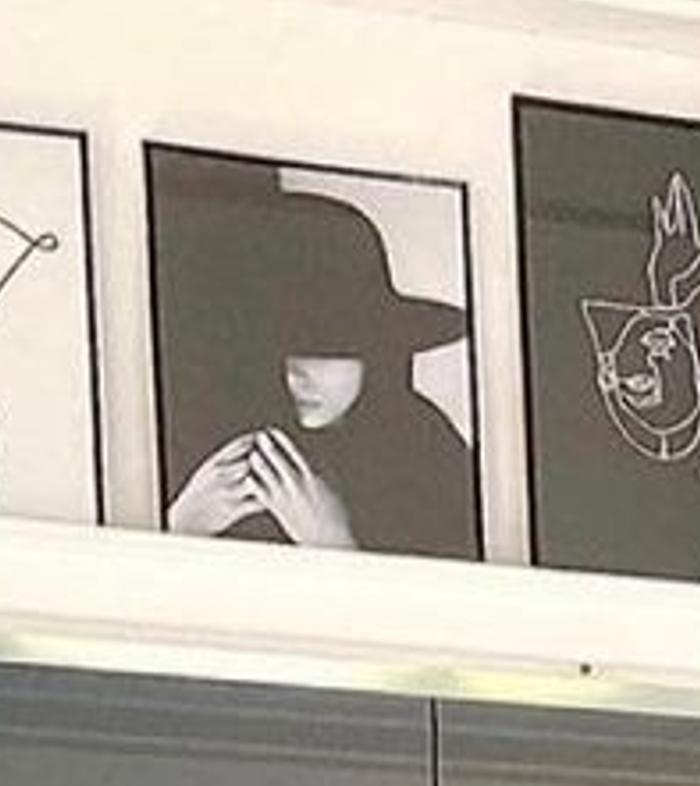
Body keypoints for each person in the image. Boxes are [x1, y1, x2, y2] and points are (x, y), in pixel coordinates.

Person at [160, 180, 475, 559]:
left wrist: (334, 543)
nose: (296, 375)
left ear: (374, 351)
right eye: (278, 350)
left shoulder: (425, 452)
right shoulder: (210, 442)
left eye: (325, 349)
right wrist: (182, 525)